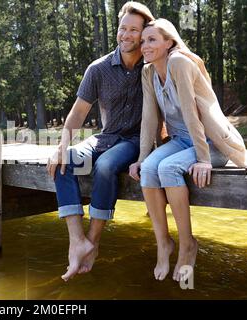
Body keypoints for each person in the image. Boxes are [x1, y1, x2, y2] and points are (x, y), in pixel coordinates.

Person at [128, 19, 246, 282]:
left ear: (169, 42)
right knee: (148, 169)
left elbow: (193, 115)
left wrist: (204, 159)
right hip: (182, 141)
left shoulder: (179, 63)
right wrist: (141, 157)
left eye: (152, 39)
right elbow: (149, 118)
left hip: (211, 142)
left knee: (168, 168)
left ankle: (187, 244)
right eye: (143, 40)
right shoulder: (147, 72)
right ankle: (163, 244)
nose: (144, 45)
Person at [46, 1, 155, 282]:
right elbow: (78, 112)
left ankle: (93, 242)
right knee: (66, 160)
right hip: (106, 137)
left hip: (134, 140)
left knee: (105, 166)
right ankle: (76, 239)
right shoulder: (99, 68)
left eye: (134, 30)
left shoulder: (153, 66)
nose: (126, 35)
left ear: (143, 34)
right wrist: (60, 147)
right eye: (123, 28)